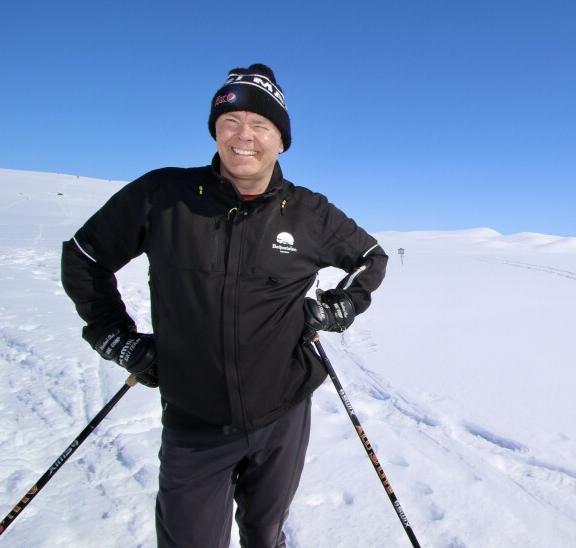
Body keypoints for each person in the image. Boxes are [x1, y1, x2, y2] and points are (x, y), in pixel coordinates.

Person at [61, 63, 387, 547]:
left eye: (261, 125)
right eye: (230, 122)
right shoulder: (164, 196)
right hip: (194, 421)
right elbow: (84, 257)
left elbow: (370, 258)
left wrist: (344, 305)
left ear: (281, 140)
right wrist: (115, 336)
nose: (244, 136)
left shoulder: (308, 212)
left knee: (264, 533)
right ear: (215, 131)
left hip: (282, 413)